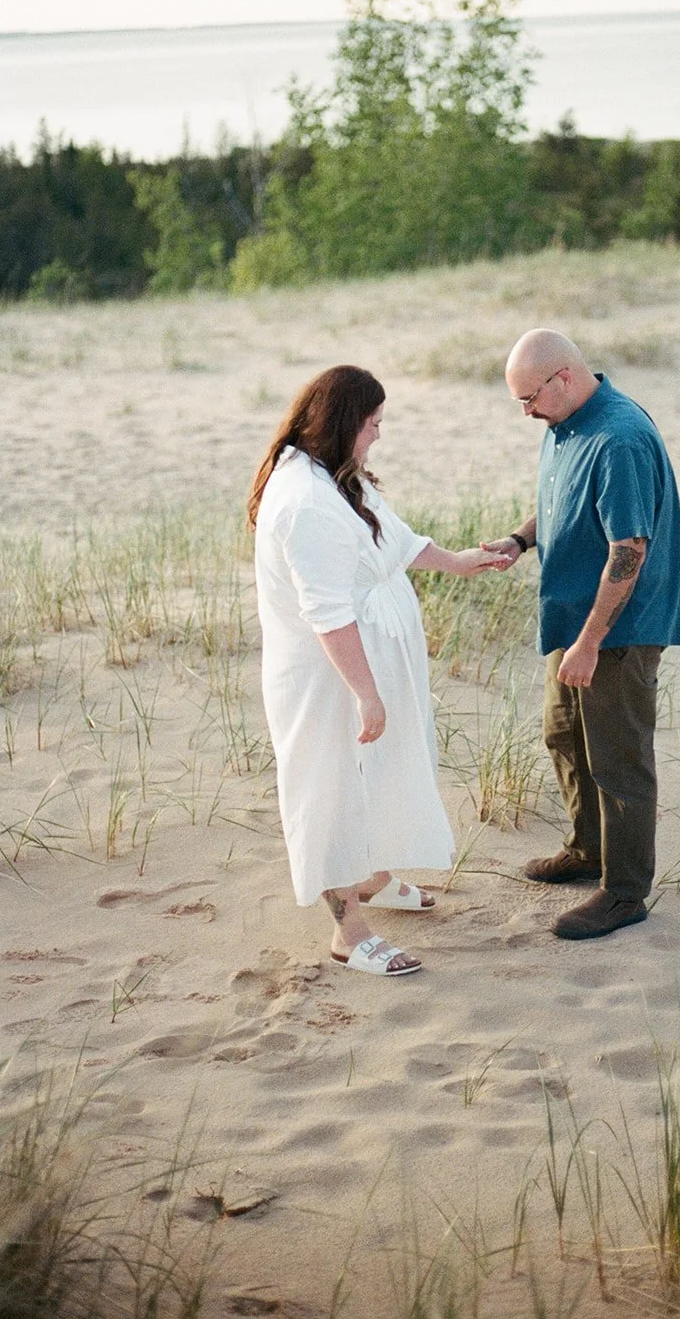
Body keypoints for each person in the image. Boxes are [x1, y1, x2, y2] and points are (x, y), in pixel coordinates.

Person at [249, 365, 500, 977]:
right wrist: (366, 694)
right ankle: (347, 931)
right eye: (374, 425)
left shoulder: (332, 476)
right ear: (342, 425)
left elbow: (392, 537)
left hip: (370, 656)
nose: (379, 437)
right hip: (328, 675)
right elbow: (327, 615)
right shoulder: (305, 500)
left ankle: (375, 875)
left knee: (384, 770)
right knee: (329, 786)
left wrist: (456, 562)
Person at [483, 330, 680, 940]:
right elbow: (566, 503)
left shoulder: (618, 438)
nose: (525, 412)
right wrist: (521, 539)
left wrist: (590, 642)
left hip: (617, 629)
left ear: (564, 379)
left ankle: (624, 892)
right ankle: (587, 849)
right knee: (563, 733)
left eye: (529, 398)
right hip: (574, 618)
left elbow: (629, 550)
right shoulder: (566, 422)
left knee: (618, 758)